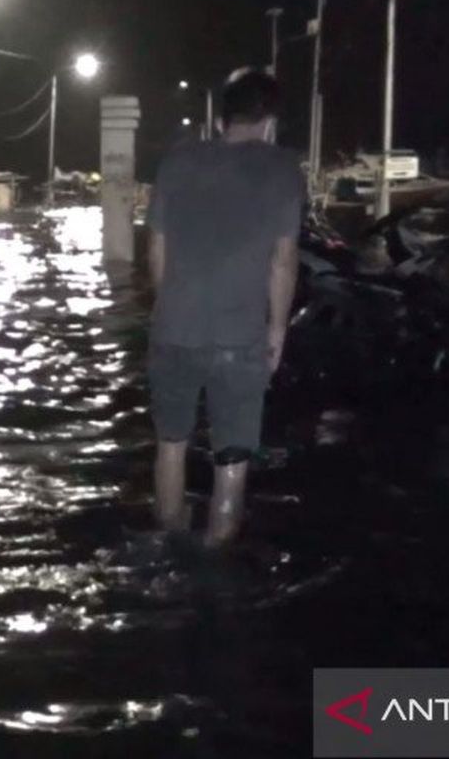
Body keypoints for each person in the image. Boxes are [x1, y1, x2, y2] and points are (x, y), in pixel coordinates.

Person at [146, 69, 304, 548]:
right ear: (270, 120)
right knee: (232, 457)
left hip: (172, 328)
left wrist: (170, 309)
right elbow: (283, 262)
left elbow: (156, 252)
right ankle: (216, 563)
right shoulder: (282, 170)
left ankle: (170, 543)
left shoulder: (177, 161)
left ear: (222, 115)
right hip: (240, 338)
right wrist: (277, 330)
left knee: (170, 445)